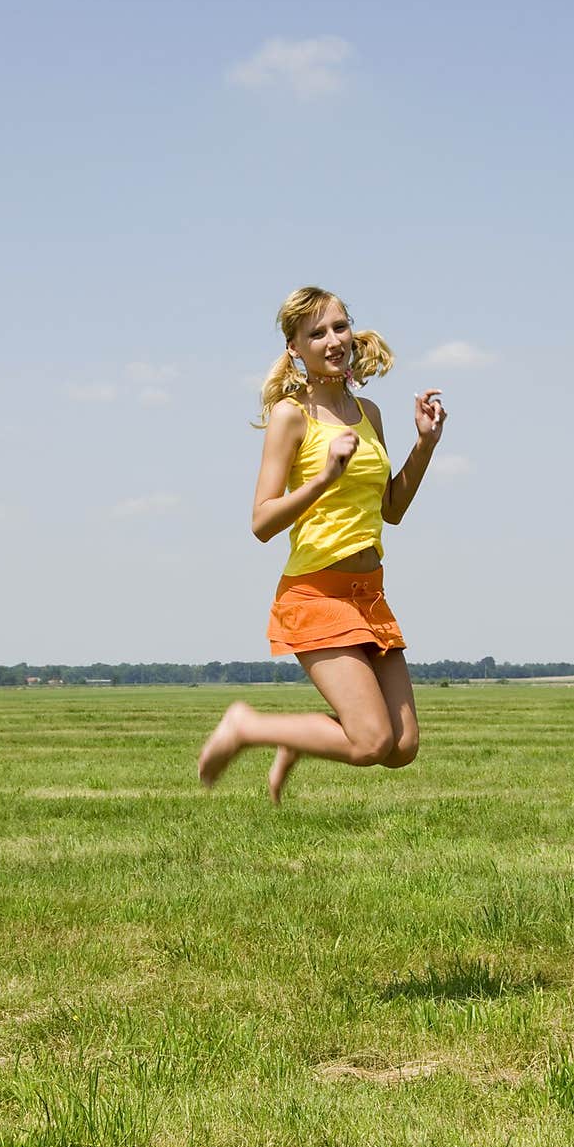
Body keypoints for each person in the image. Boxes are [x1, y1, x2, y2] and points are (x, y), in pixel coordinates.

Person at [198, 284, 447, 803]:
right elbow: (262, 522)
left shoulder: (369, 413)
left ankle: (301, 738)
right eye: (317, 333)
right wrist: (323, 479)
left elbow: (392, 510)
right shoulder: (292, 416)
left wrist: (424, 445)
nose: (333, 340)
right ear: (295, 348)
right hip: (316, 594)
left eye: (339, 326)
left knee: (402, 748)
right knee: (371, 740)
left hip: (369, 593)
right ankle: (247, 727)